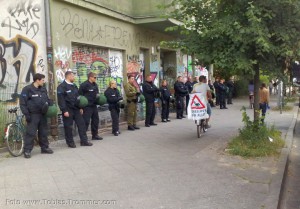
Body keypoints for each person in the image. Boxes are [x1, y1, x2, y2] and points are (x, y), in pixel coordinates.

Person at [20, 73, 54, 158]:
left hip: (43, 114)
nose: (44, 81)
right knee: (30, 133)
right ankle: (27, 150)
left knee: (43, 132)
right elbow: (22, 103)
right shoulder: (27, 89)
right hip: (33, 115)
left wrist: (50, 102)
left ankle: (44, 148)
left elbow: (46, 99)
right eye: (42, 80)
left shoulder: (43, 89)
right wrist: (27, 114)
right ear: (37, 80)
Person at [57, 71, 93, 148]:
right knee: (68, 127)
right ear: (68, 76)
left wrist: (80, 107)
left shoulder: (74, 86)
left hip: (76, 109)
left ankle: (84, 141)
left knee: (82, 124)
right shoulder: (61, 87)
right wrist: (64, 110)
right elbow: (61, 100)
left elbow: (78, 97)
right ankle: (70, 142)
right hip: (68, 110)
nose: (74, 78)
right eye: (73, 76)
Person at [79, 72, 103, 140]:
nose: (96, 79)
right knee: (86, 121)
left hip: (94, 105)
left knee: (95, 120)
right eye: (95, 77)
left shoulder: (95, 85)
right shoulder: (84, 85)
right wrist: (80, 107)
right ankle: (83, 137)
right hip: (87, 106)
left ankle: (95, 135)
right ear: (90, 77)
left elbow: (97, 94)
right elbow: (80, 96)